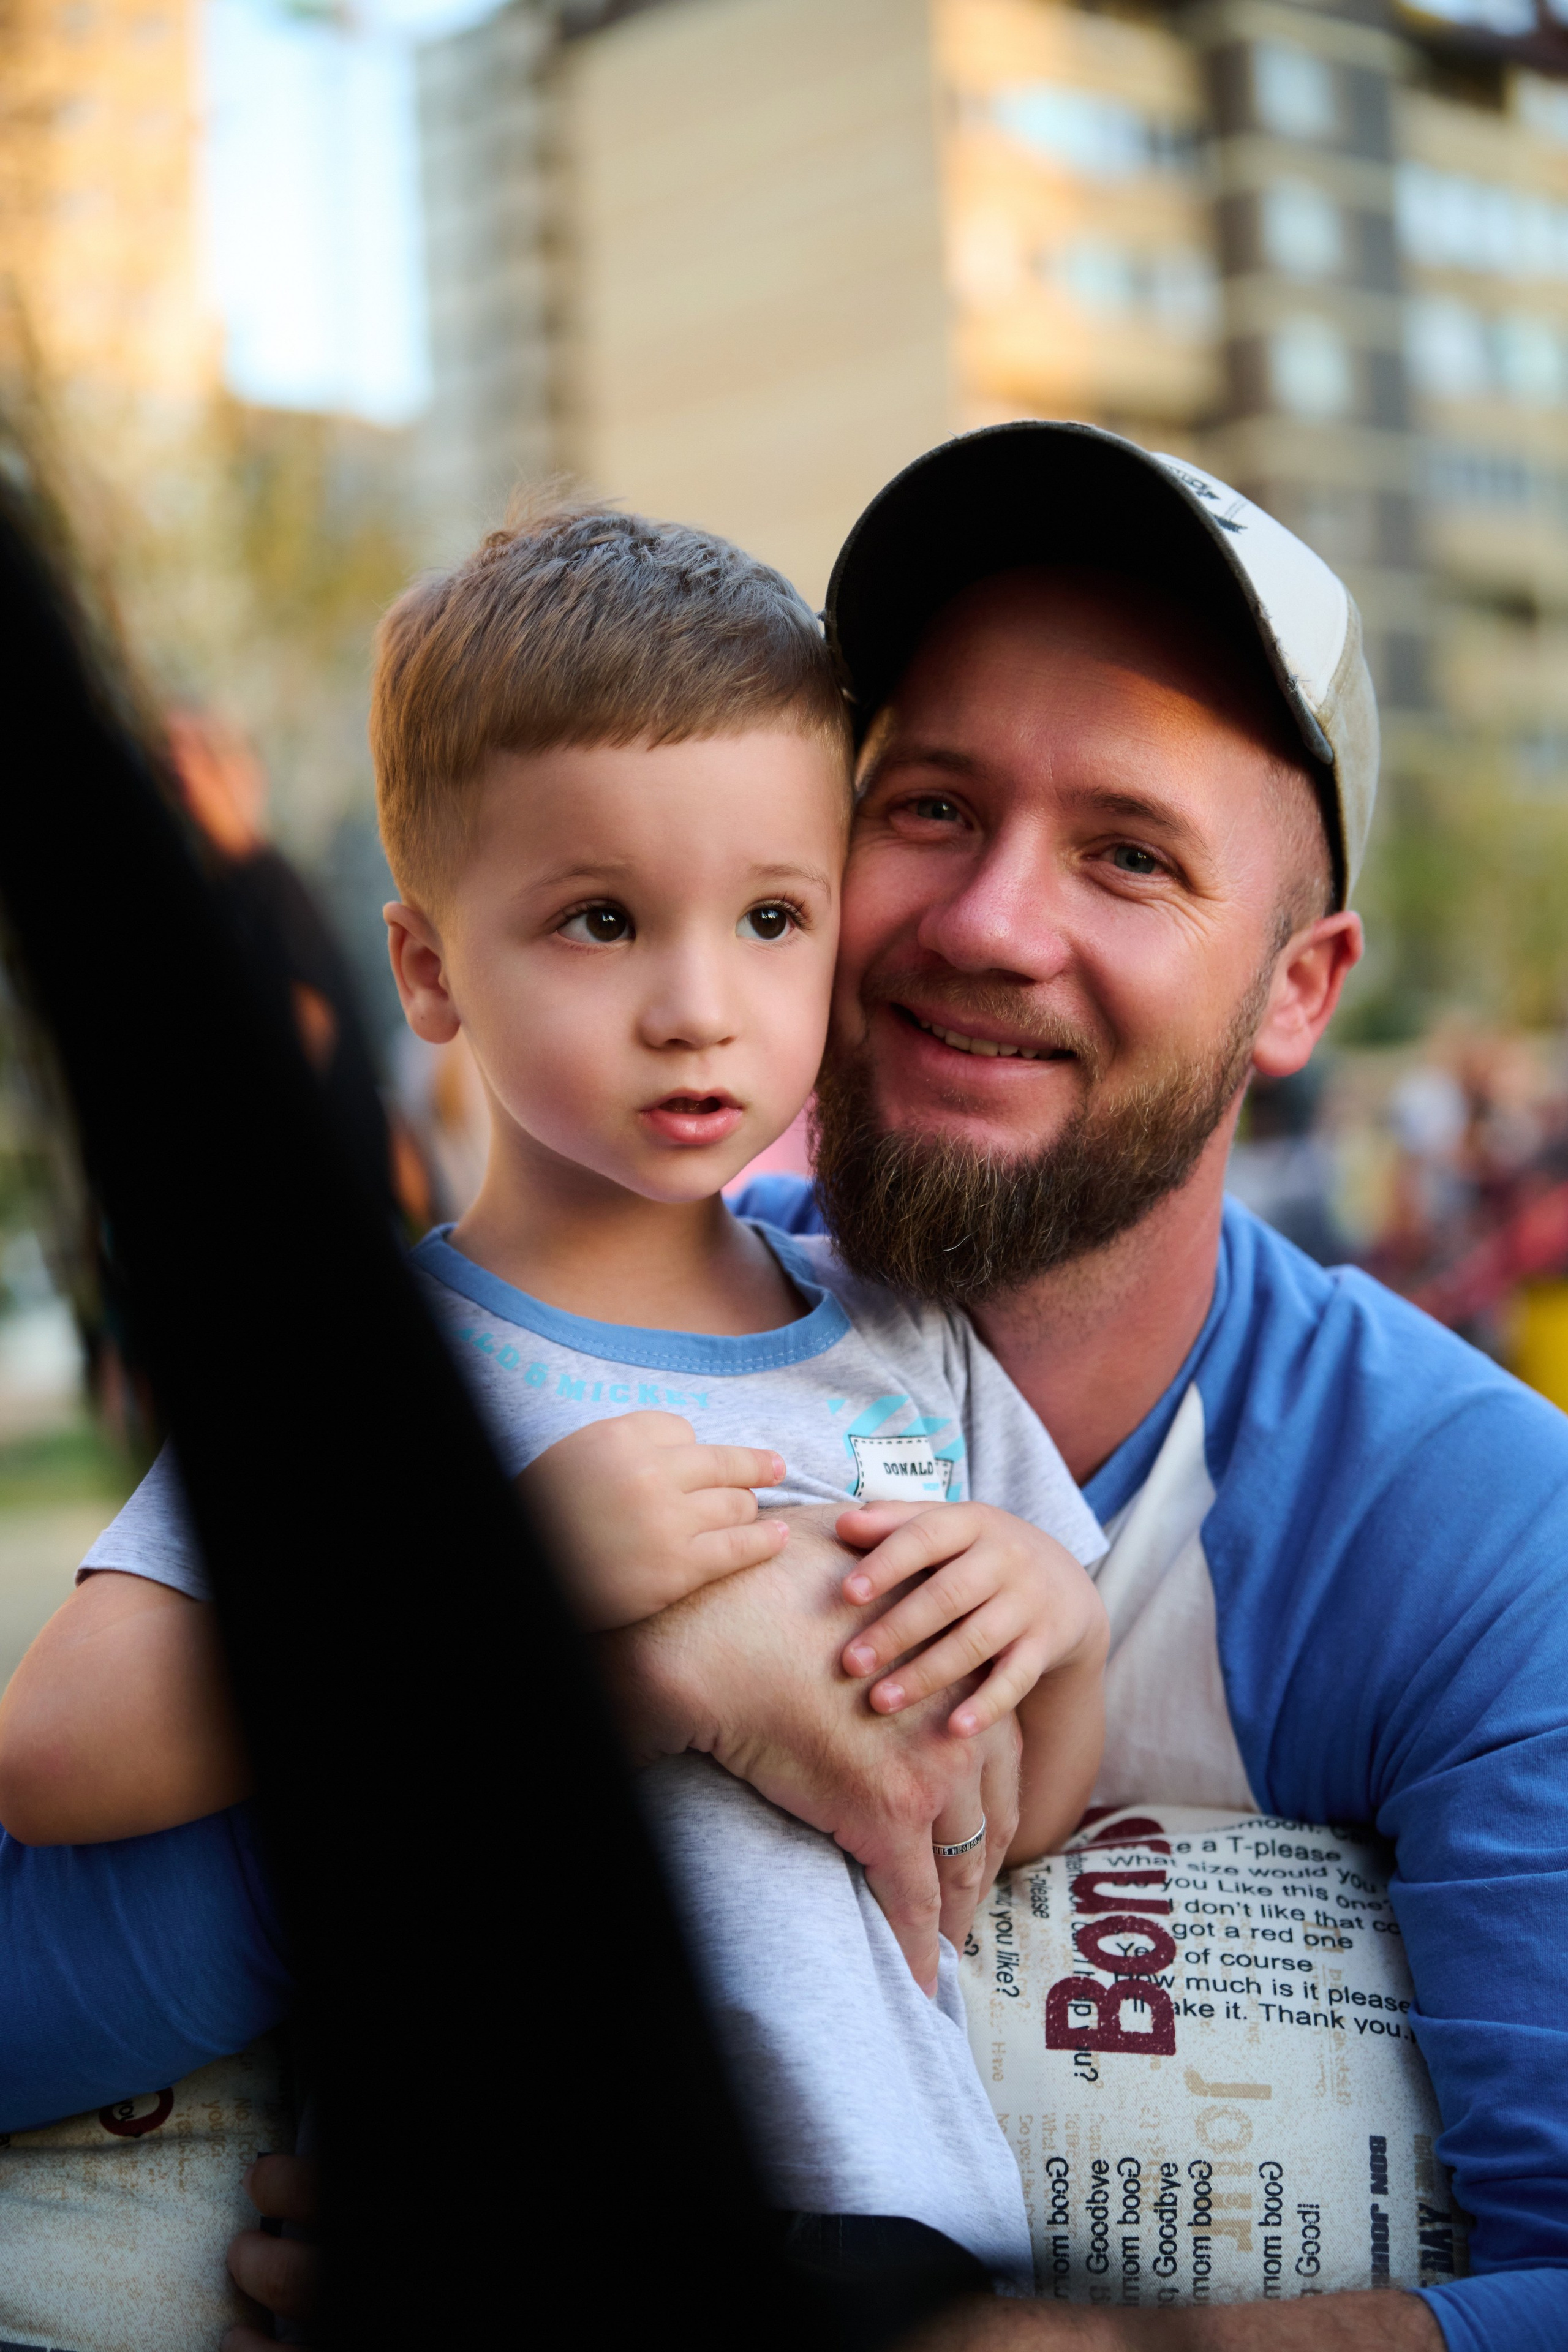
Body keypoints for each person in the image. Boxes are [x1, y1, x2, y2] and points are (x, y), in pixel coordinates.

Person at [1, 426, 1563, 2351]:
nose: (991, 922)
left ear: (1299, 991)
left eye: (1130, 855)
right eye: (928, 806)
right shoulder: (526, 1331)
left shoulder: (1473, 1530)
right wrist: (615, 1687)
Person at [0, 503, 1112, 2285]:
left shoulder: (910, 1336)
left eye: (770, 919)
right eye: (600, 920)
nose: (696, 1006)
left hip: (902, 2229)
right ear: (431, 969)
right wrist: (500, 1572)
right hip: (522, 2222)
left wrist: (1050, 1617)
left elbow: (1013, 1812)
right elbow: (56, 1755)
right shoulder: (375, 1374)